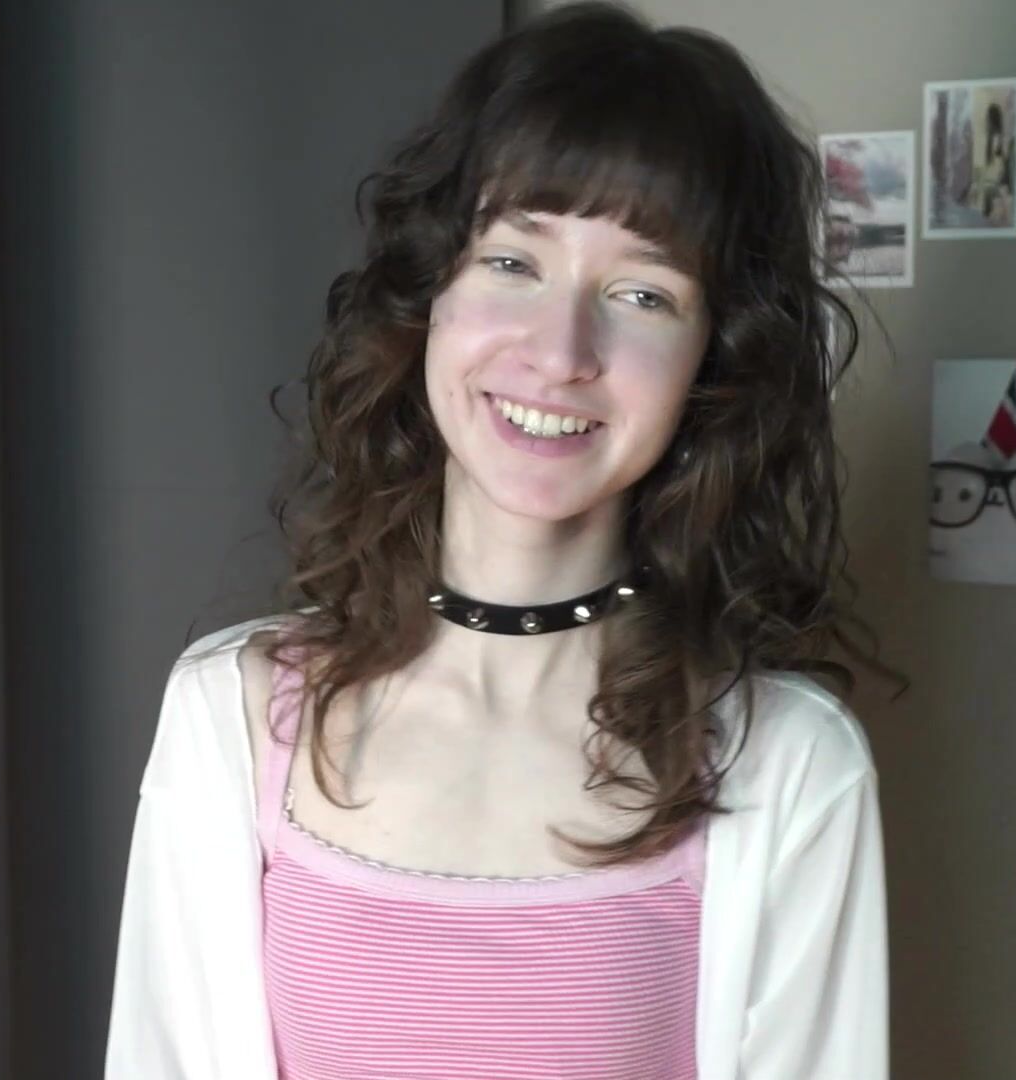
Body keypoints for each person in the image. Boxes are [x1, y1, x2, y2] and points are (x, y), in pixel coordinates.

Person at [104, 3, 905, 1077]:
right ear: (429, 293)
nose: (562, 352)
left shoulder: (795, 767)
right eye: (513, 262)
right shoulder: (227, 721)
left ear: (712, 362)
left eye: (642, 293)